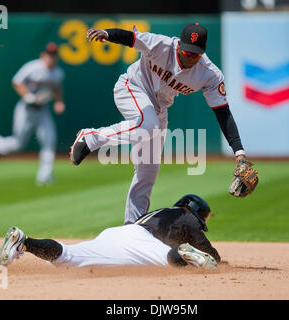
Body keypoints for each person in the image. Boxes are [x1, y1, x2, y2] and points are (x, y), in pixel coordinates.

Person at [70, 23, 247, 224]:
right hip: (132, 88)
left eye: (195, 55)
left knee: (148, 171)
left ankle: (132, 230)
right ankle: (91, 137)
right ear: (179, 44)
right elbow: (130, 38)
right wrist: (107, 34)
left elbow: (222, 112)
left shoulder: (210, 74)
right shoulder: (161, 45)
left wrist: (239, 153)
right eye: (187, 52)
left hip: (159, 109)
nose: (190, 58)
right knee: (148, 125)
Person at [0, 194, 220, 269]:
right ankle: (181, 252)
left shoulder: (163, 212)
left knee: (67, 256)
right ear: (194, 210)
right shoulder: (187, 216)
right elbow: (206, 249)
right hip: (141, 241)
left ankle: (24, 242)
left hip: (118, 233)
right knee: (167, 259)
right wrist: (218, 260)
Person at [0, 42, 66, 185]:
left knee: (49, 141)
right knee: (18, 144)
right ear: (43, 55)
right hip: (26, 110)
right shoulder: (33, 67)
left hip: (43, 111)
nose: (51, 58)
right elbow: (16, 82)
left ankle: (45, 176)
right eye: (49, 55)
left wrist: (58, 102)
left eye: (54, 55)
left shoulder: (58, 73)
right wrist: (28, 96)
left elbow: (57, 89)